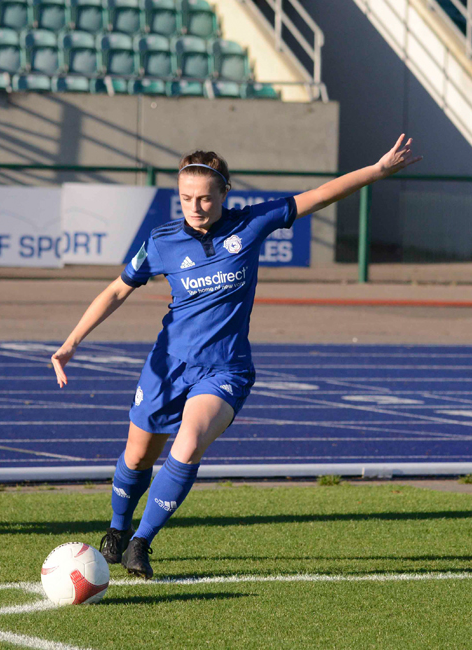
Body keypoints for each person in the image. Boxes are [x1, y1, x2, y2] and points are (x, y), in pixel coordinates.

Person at [51, 136, 420, 578]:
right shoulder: (162, 240)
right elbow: (117, 289)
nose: (196, 206)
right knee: (137, 457)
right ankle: (116, 527)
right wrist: (72, 342)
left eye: (206, 197)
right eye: (187, 197)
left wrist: (375, 171)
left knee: (186, 447)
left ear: (225, 194)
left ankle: (141, 542)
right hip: (167, 366)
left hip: (225, 369)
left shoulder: (251, 224)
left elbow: (320, 195)